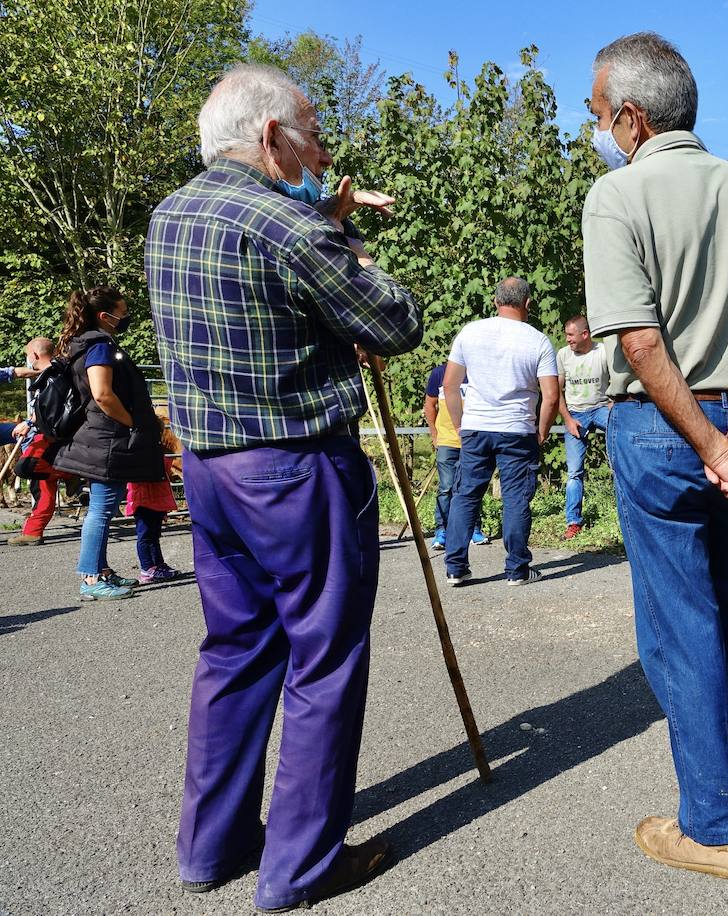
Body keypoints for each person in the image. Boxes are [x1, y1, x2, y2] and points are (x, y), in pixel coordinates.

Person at [147, 63, 421, 911]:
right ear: (271, 136)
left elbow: (261, 298)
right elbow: (394, 321)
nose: (321, 150)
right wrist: (342, 238)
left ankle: (211, 847)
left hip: (209, 467)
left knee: (234, 650)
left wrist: (320, 216)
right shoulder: (289, 227)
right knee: (324, 656)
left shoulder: (170, 214)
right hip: (295, 470)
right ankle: (301, 866)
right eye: (312, 132)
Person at [583, 33, 728, 879]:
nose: (596, 124)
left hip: (665, 428)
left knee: (681, 628)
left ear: (634, 118)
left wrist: (712, 441)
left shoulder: (617, 196)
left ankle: (717, 828)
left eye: (597, 110)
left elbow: (641, 341)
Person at [50, 288, 166, 600]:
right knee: (101, 510)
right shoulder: (98, 345)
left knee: (104, 507)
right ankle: (90, 578)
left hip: (101, 438)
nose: (126, 316)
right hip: (107, 439)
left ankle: (101, 571)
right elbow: (102, 394)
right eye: (123, 311)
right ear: (105, 316)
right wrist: (133, 422)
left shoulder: (87, 342)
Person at [442, 277, 558, 586]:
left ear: (496, 302)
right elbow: (552, 396)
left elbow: (450, 386)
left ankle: (455, 567)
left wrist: (459, 426)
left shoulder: (470, 332)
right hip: (518, 429)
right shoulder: (539, 341)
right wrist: (541, 431)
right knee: (516, 498)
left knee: (465, 496)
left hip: (477, 427)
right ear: (528, 304)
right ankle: (517, 570)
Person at [8, 337, 69, 546]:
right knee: (43, 484)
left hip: (54, 437)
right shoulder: (49, 375)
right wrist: (29, 422)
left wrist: (29, 423)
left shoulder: (57, 375)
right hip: (46, 434)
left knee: (26, 467)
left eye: (27, 355)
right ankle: (33, 531)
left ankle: (72, 473)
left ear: (34, 355)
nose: (27, 360)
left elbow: (54, 408)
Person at [422, 362, 488, 551]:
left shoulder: (478, 371)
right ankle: (441, 530)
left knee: (472, 486)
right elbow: (430, 405)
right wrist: (434, 434)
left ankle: (474, 529)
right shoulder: (440, 373)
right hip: (447, 441)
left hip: (472, 440)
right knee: (447, 487)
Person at [556, 315, 611, 539]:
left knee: (622, 445)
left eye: (571, 335)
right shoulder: (563, 355)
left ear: (585, 334)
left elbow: (619, 378)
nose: (567, 339)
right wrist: (567, 419)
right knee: (574, 471)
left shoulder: (603, 351)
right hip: (575, 412)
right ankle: (573, 522)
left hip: (600, 408)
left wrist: (614, 403)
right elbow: (555, 391)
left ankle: (626, 512)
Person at [125, 419, 183, 584]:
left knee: (154, 535)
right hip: (143, 501)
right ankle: (147, 569)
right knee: (145, 536)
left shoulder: (155, 451)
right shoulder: (138, 453)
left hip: (156, 500)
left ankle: (158, 564)